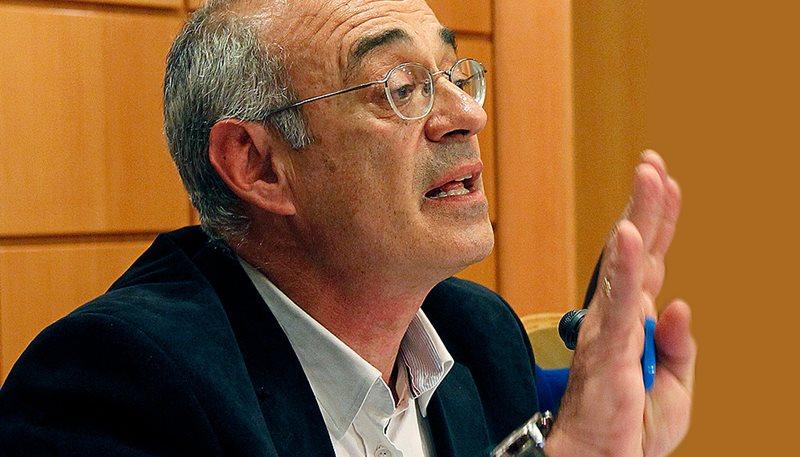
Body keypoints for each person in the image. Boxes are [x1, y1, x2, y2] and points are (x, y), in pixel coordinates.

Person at [0, 0, 696, 455]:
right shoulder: (117, 383)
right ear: (258, 164)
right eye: (400, 87)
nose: (467, 115)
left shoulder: (478, 336)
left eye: (453, 74)